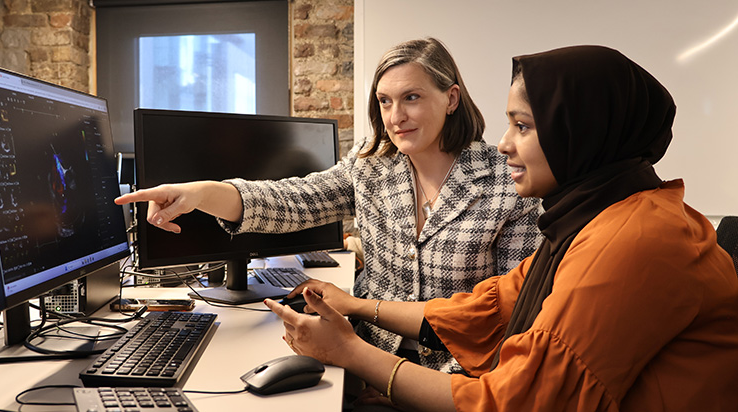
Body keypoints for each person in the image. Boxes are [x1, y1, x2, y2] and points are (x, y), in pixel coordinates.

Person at [266, 45, 738, 411]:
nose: (504, 144)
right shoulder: (595, 217)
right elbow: (488, 307)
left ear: (583, 134)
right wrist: (358, 307)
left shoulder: (633, 242)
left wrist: (353, 354)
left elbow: (520, 401)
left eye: (524, 126)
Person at [115, 38, 542, 372]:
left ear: (450, 99)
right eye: (385, 101)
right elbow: (293, 200)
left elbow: (505, 317)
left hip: (458, 374)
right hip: (366, 356)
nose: (395, 117)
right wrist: (202, 193)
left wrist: (395, 378)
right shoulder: (372, 167)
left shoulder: (507, 180)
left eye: (411, 97)